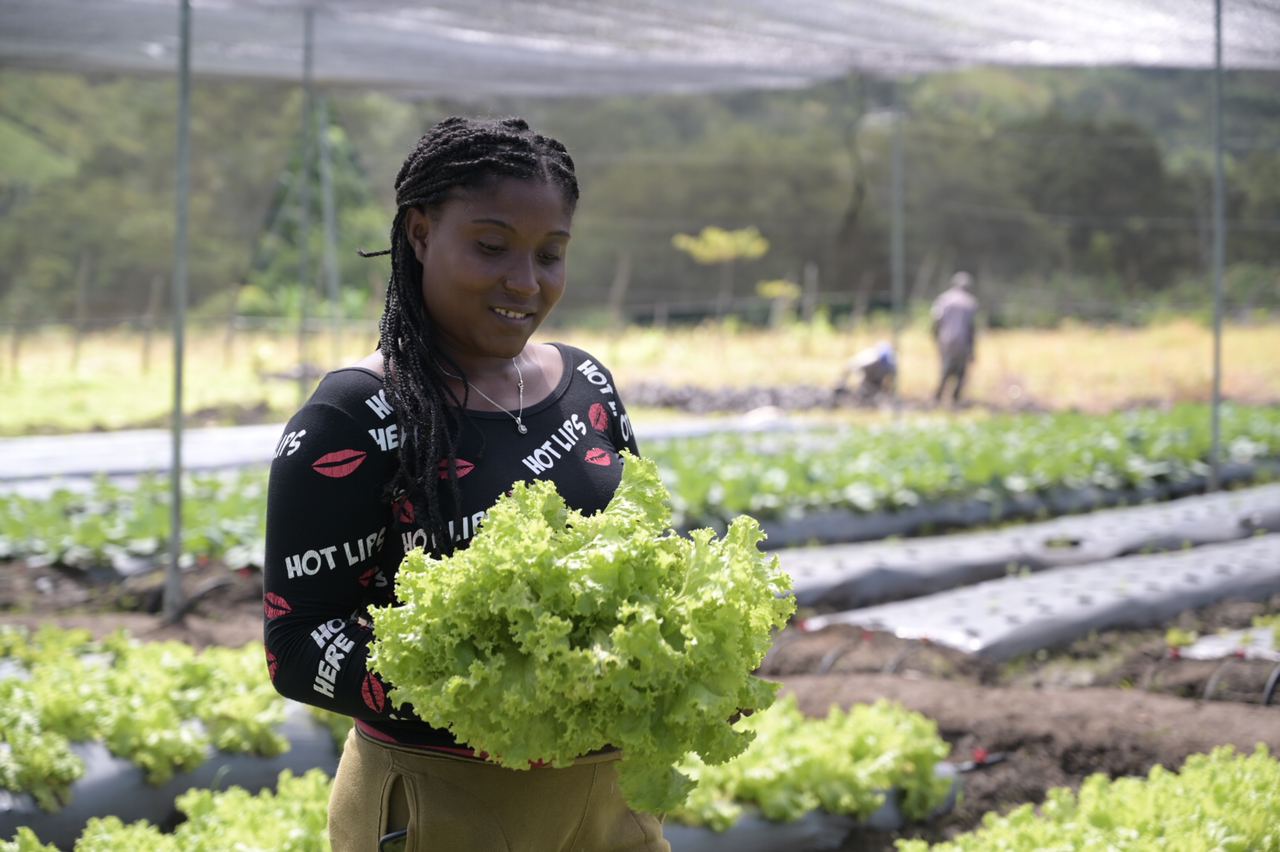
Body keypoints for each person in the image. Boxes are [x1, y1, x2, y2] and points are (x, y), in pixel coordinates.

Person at [263, 116, 667, 852]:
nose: (525, 281)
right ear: (419, 234)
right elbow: (295, 645)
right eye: (491, 247)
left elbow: (653, 559)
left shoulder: (588, 384)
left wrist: (682, 658)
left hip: (612, 800)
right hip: (440, 801)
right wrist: (494, 691)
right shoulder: (353, 417)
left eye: (550, 255)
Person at [930, 271, 979, 405]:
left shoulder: (943, 299)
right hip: (962, 341)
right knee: (961, 371)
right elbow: (971, 328)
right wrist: (972, 349)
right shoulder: (969, 302)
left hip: (945, 339)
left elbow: (936, 320)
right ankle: (955, 398)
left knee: (945, 368)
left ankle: (938, 396)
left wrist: (935, 337)